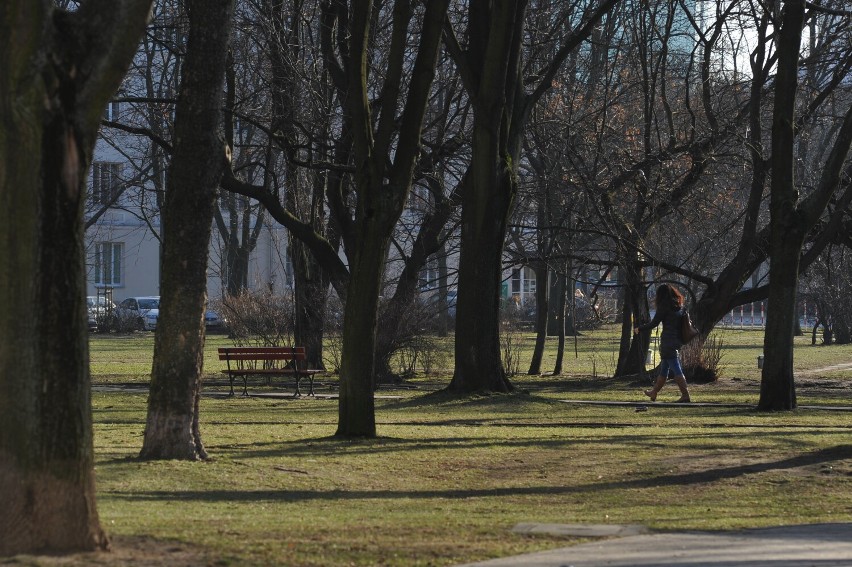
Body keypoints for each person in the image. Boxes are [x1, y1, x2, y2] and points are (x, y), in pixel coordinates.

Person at [633, 284, 691, 403]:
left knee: (676, 369)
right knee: (664, 369)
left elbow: (654, 323)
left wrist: (640, 328)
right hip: (677, 341)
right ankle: (654, 392)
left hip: (668, 342)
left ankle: (685, 395)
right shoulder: (679, 306)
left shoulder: (664, 306)